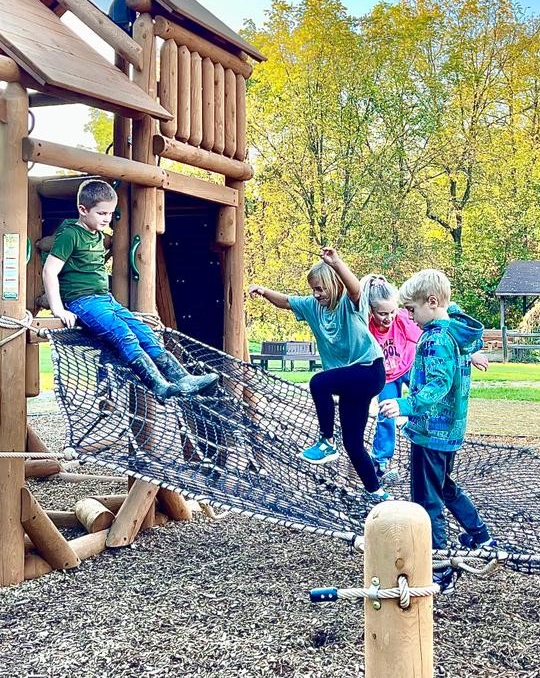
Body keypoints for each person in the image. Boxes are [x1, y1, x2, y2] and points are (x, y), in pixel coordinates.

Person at [42, 179, 217, 400]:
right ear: (82, 210)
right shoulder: (70, 235)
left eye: (110, 214)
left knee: (144, 333)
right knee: (123, 335)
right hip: (83, 302)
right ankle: (158, 385)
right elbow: (49, 271)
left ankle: (183, 378)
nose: (106, 219)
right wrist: (59, 310)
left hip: (106, 300)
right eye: (101, 213)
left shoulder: (96, 234)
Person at [378, 269, 493, 593]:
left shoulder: (435, 338)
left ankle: (441, 568)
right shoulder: (454, 333)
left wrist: (406, 404)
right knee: (445, 487)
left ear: (431, 302)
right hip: (449, 432)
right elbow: (453, 312)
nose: (409, 317)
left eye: (412, 310)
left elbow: (439, 383)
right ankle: (480, 535)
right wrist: (473, 352)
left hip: (430, 432)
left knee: (427, 499)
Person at [248, 248, 389, 501]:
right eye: (314, 289)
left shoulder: (350, 304)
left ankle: (326, 441)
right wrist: (264, 291)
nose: (317, 294)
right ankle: (376, 492)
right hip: (349, 381)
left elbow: (355, 288)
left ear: (334, 284)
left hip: (369, 371)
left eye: (321, 288)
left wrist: (337, 263)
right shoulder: (313, 307)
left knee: (319, 382)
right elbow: (286, 301)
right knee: (353, 443)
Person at [360, 274, 489, 484]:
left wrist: (469, 353)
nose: (389, 317)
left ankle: (425, 428)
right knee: (387, 413)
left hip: (409, 369)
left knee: (423, 399)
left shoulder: (411, 322)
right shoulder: (367, 326)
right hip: (385, 376)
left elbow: (440, 318)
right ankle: (381, 459)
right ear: (371, 311)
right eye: (382, 313)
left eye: (393, 311)